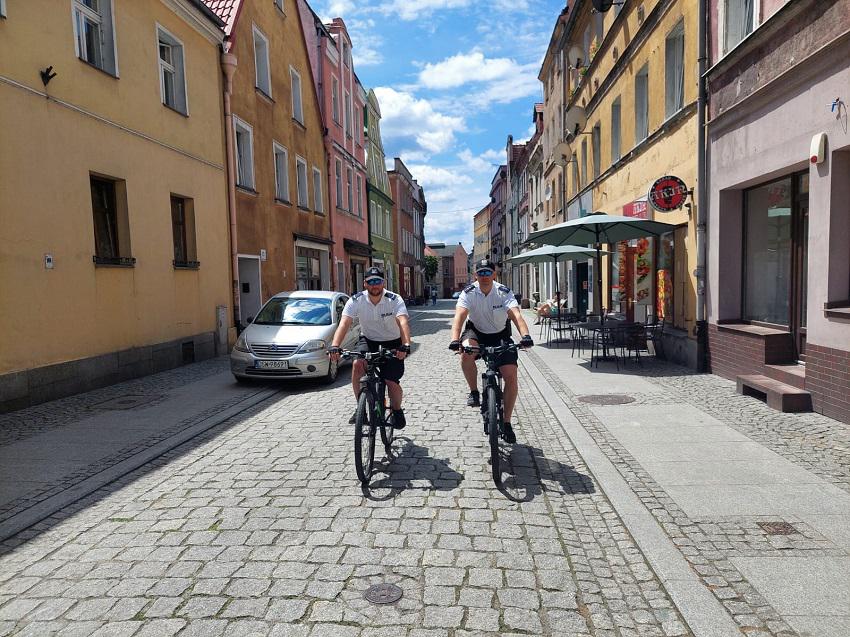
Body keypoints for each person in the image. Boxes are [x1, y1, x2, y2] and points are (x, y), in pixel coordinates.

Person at [448, 259, 533, 444]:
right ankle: (474, 392)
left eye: (488, 273)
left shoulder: (503, 292)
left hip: (500, 334)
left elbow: (516, 315)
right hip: (476, 332)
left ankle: (507, 422)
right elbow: (459, 317)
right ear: (475, 275)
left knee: (510, 376)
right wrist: (455, 340)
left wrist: (525, 336)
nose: (484, 276)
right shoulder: (469, 293)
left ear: (494, 274)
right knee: (466, 352)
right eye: (481, 273)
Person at [329, 267, 412, 428]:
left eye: (378, 281)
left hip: (393, 342)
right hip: (368, 340)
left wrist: (406, 344)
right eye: (371, 282)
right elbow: (344, 323)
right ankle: (361, 409)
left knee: (390, 380)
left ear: (383, 283)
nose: (375, 285)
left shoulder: (394, 299)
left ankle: (396, 410)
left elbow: (403, 322)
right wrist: (335, 346)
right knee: (357, 364)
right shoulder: (356, 300)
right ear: (365, 283)